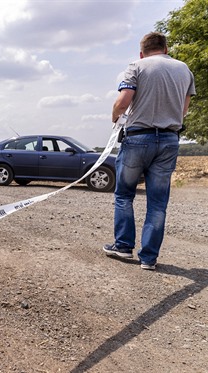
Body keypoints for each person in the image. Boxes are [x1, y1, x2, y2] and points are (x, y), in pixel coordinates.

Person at [103, 32, 196, 270]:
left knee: (124, 194)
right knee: (157, 202)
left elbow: (123, 101)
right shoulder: (184, 70)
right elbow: (184, 109)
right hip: (169, 140)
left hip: (138, 138)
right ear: (166, 49)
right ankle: (149, 258)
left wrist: (115, 117)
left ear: (142, 52)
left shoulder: (136, 66)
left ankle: (123, 246)